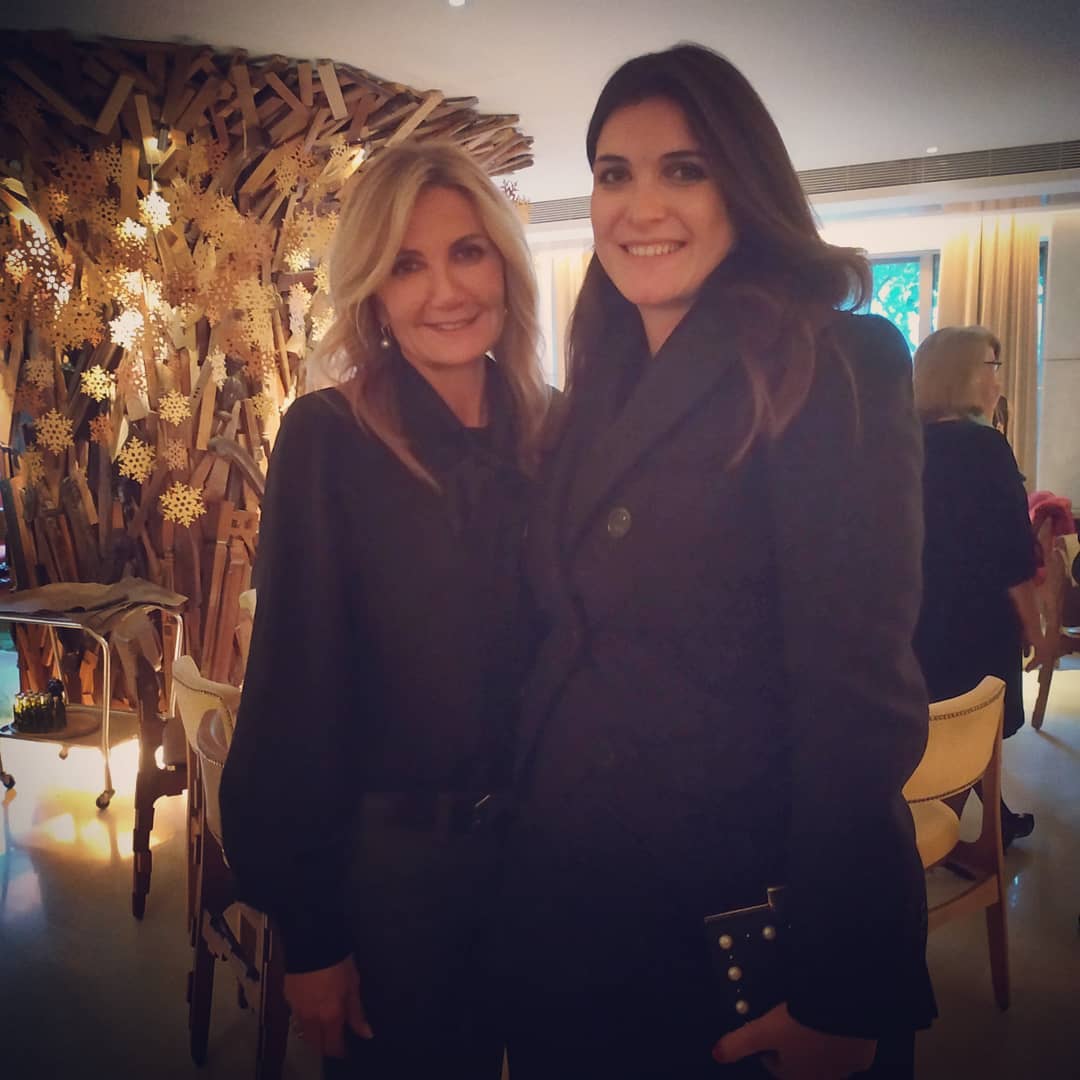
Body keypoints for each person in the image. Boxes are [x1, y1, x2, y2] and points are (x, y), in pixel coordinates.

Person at [498, 44, 936, 1080]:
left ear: (744, 186)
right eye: (614, 173)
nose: (640, 205)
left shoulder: (832, 362)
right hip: (571, 910)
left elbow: (857, 697)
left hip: (732, 921)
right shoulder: (595, 385)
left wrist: (840, 984)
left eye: (683, 170)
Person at [219, 140, 548, 1079]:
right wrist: (314, 933)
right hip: (399, 883)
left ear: (505, 265)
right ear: (372, 290)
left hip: (556, 868)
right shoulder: (330, 438)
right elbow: (293, 693)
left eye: (467, 252)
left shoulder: (559, 432)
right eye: (407, 264)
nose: (444, 290)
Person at [912, 325, 1048, 849]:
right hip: (975, 616)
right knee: (972, 723)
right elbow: (1011, 552)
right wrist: (1034, 626)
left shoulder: (902, 442)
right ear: (963, 374)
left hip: (917, 612)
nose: (999, 380)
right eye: (993, 367)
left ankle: (995, 823)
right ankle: (936, 842)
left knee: (942, 719)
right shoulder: (984, 446)